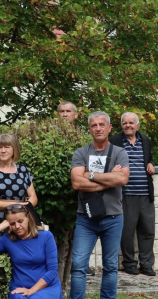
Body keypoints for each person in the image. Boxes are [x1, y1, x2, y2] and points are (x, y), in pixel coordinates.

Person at [64, 111, 129, 299]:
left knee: (110, 266)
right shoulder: (81, 153)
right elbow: (76, 183)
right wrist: (108, 179)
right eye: (94, 125)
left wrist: (90, 175)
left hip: (113, 218)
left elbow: (122, 178)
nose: (98, 128)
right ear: (89, 129)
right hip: (86, 218)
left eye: (102, 124)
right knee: (79, 265)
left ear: (110, 128)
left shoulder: (119, 152)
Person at [109, 112, 156, 276]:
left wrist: (151, 164)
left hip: (145, 194)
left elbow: (149, 158)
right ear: (121, 125)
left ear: (138, 125)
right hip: (125, 195)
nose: (128, 125)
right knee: (127, 232)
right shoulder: (114, 141)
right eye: (125, 123)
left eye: (131, 123)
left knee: (148, 231)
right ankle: (129, 264)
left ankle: (147, 264)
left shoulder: (146, 140)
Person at [57, 102, 95, 277]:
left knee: (83, 231)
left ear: (76, 115)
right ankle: (61, 266)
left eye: (68, 111)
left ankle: (80, 263)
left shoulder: (84, 137)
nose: (65, 114)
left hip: (83, 191)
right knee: (61, 236)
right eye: (62, 111)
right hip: (58, 194)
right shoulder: (49, 135)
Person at [0, 133, 38, 230]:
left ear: (14, 149)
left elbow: (33, 197)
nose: (3, 151)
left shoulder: (23, 170)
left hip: (20, 224)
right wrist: (18, 205)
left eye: (7, 147)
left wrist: (22, 207)